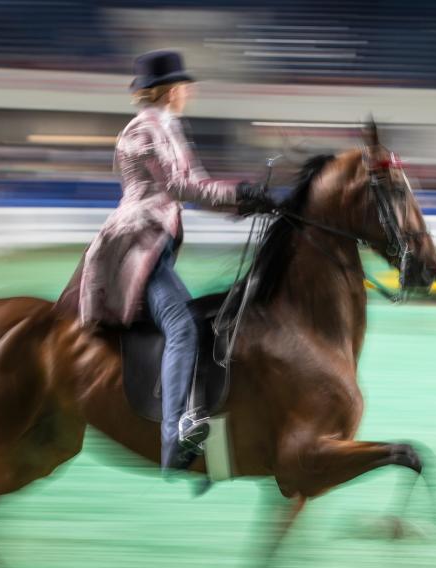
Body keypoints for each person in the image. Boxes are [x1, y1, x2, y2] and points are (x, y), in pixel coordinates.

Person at [57, 49, 275, 474]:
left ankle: (196, 420)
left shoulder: (167, 126)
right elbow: (180, 186)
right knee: (183, 326)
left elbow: (190, 187)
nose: (189, 92)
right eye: (184, 86)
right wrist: (240, 195)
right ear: (171, 90)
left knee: (195, 323)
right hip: (137, 244)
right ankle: (173, 438)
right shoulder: (146, 129)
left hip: (153, 244)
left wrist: (244, 202)